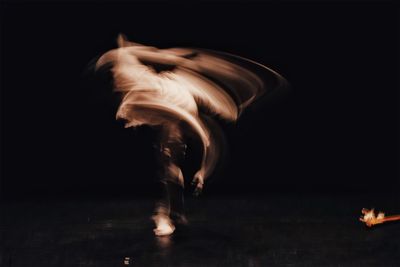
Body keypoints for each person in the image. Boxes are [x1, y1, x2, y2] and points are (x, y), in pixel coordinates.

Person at [95, 34, 285, 236]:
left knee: (169, 163)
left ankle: (169, 213)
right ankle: (168, 212)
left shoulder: (179, 110)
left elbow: (210, 143)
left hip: (167, 99)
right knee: (169, 157)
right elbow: (206, 139)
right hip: (162, 96)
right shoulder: (171, 103)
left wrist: (203, 172)